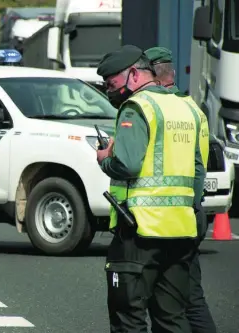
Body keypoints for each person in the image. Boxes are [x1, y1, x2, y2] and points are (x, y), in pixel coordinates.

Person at [96, 45, 203, 333]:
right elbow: (197, 169)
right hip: (180, 229)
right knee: (172, 318)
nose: (109, 89)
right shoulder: (186, 107)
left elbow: (128, 165)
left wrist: (105, 160)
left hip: (140, 231)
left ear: (133, 74)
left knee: (127, 317)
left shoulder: (137, 106)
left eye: (112, 82)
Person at [145, 46, 216, 333]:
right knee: (187, 294)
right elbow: (199, 164)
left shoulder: (155, 108)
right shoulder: (192, 109)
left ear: (153, 75)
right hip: (191, 209)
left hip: (163, 215)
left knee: (171, 299)